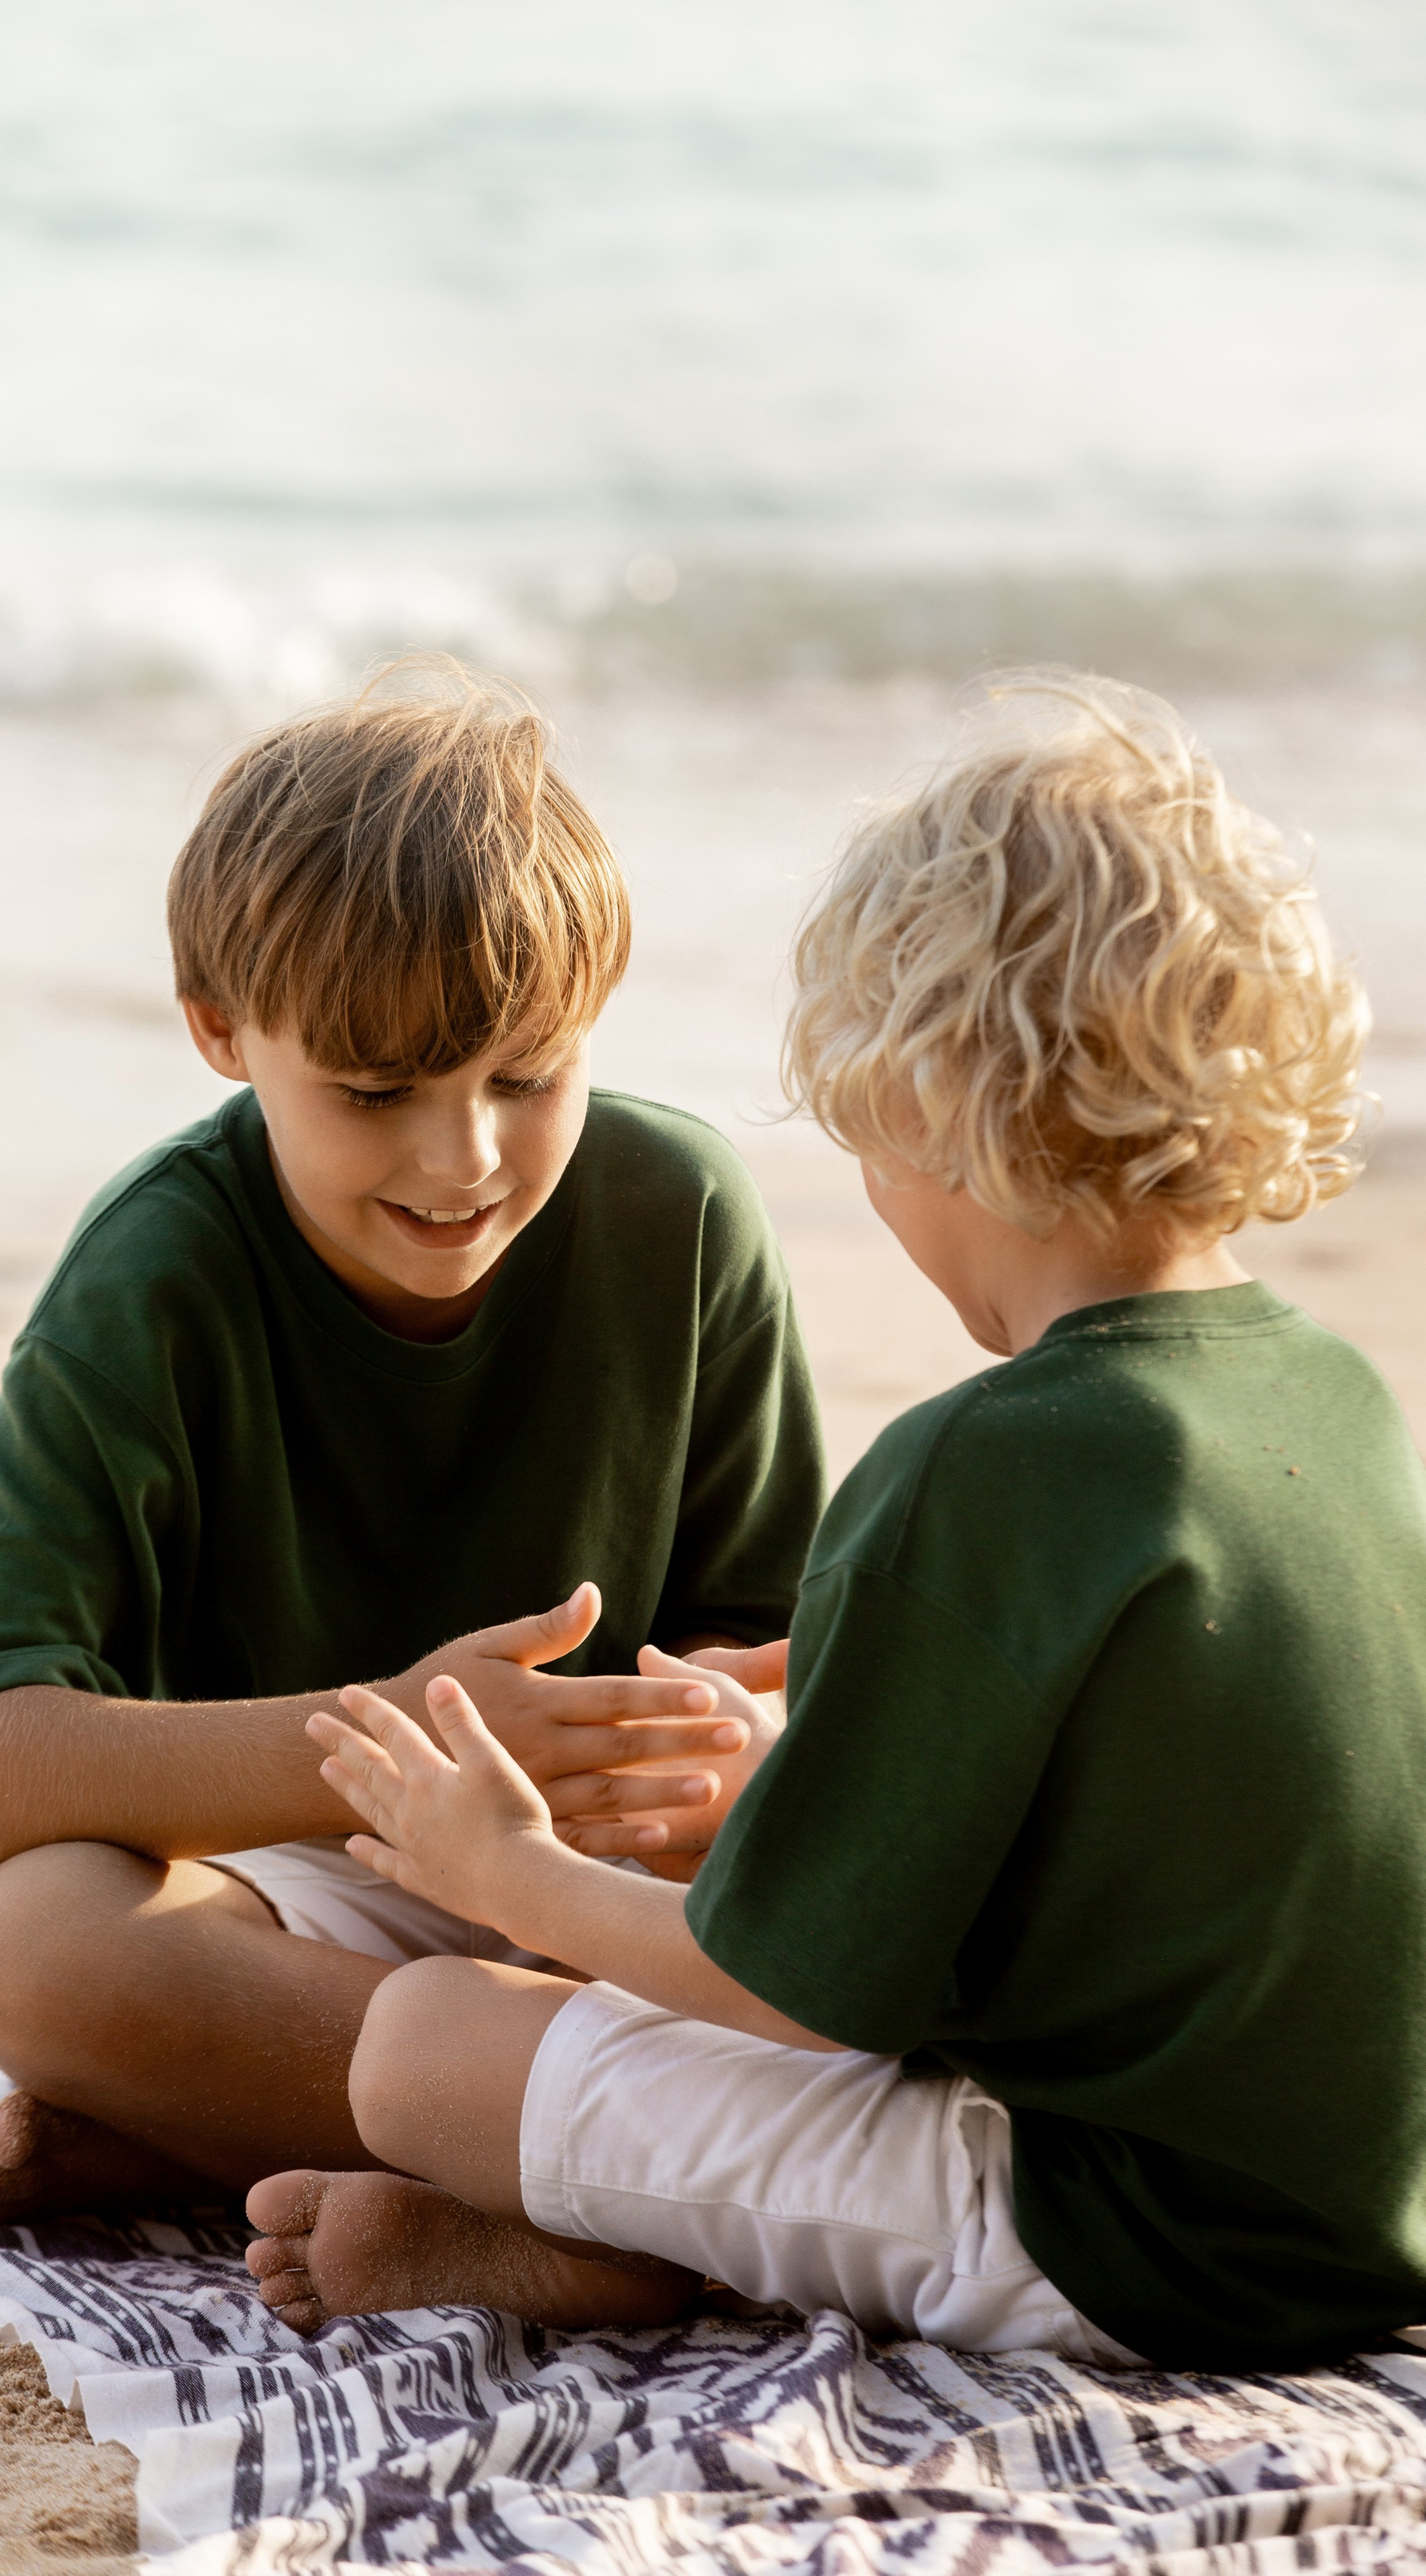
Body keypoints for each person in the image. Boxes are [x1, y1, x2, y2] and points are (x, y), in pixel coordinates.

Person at [241, 672, 1426, 2376]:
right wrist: (800, 1782)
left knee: (424, 2042)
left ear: (927, 1104)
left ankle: (605, 2257)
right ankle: (615, 2231)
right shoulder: (1337, 1401)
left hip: (1140, 2244)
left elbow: (788, 2000)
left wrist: (511, 1875)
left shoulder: (979, 1465)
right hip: (1371, 2205)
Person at [0, 664, 824, 2224]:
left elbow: (773, 1649)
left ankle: (263, 2135)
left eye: (528, 1076)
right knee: (36, 1946)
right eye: (375, 1091)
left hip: (598, 1893)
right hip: (295, 1897)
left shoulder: (682, 1213)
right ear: (220, 1030)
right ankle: (592, 2171)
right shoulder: (158, 1273)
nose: (463, 1158)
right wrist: (382, 1739)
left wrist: (694, 1746)